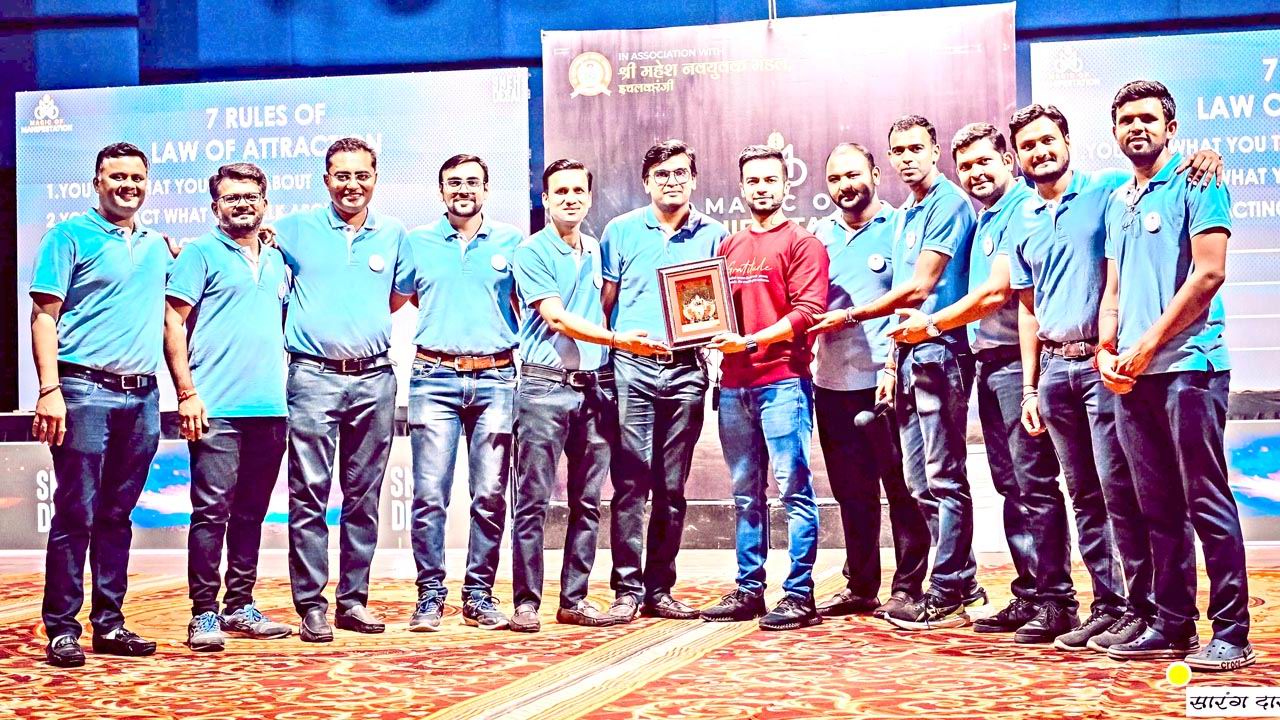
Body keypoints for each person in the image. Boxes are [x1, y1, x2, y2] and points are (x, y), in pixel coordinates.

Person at [890, 124, 1072, 642]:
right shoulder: (987, 215)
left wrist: (931, 324)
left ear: (1008, 162)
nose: (975, 173)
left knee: (1034, 486)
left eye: (984, 161)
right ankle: (1031, 593)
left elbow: (997, 293)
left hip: (1019, 363)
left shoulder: (1021, 208)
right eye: (966, 166)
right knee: (1013, 486)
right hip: (989, 363)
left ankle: (1056, 601)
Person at [1098, 80, 1252, 670]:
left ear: (1171, 127)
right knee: (1156, 507)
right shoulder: (1119, 200)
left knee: (1205, 501)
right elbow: (1113, 288)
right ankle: (1172, 624)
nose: (1136, 128)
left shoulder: (1199, 180)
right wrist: (1108, 351)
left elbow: (1209, 274)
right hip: (1133, 376)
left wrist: (1147, 345)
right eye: (1126, 120)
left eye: (1147, 118)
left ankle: (1232, 633)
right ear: (1115, 132)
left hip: (1191, 369)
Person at [820, 115, 984, 629]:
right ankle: (949, 585)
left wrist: (854, 319)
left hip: (937, 353)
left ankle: (942, 586)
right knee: (919, 483)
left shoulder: (942, 205)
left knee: (936, 480)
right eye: (900, 150)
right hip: (896, 363)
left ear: (935, 150)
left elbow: (918, 289)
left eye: (916, 148)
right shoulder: (908, 213)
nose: (907, 158)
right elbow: (902, 309)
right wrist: (894, 361)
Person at [509, 159, 665, 632]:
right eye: (561, 191)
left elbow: (605, 307)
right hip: (544, 388)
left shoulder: (597, 250)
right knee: (533, 500)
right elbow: (556, 317)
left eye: (579, 190)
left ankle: (573, 599)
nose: (571, 198)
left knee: (588, 501)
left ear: (590, 197)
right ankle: (526, 603)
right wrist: (618, 341)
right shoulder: (531, 250)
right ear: (545, 199)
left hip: (594, 390)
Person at [31, 142, 168, 667]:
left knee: (117, 515)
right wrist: (49, 390)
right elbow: (44, 317)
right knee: (77, 513)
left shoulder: (156, 245)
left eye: (137, 177)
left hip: (143, 395)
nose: (127, 185)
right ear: (97, 182)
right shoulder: (67, 236)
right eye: (117, 177)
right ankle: (62, 629)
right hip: (83, 391)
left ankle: (109, 624)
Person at [273, 137, 415, 642]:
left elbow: (397, 296)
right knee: (308, 495)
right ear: (326, 179)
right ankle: (311, 605)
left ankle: (353, 601)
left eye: (362, 175)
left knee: (363, 497)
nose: (352, 184)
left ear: (375, 178)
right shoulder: (292, 228)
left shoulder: (394, 234)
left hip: (375, 379)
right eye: (342, 175)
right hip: (312, 378)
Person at [164, 162, 293, 651]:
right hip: (215, 408)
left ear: (264, 203)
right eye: (232, 196)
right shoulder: (199, 253)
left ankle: (240, 605)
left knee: (251, 513)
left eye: (251, 196)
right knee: (211, 513)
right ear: (215, 205)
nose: (242, 204)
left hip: (271, 409)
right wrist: (186, 394)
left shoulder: (277, 258)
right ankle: (203, 613)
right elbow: (172, 323)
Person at [699, 145, 829, 631]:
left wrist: (751, 340)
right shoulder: (728, 246)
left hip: (783, 383)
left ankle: (799, 595)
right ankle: (749, 588)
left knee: (793, 489)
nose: (761, 188)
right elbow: (709, 310)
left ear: (785, 185)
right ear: (741, 188)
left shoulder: (803, 243)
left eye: (770, 180)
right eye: (753, 180)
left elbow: (808, 312)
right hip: (734, 385)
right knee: (745, 493)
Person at [600, 140, 727, 622]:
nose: (671, 181)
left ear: (693, 179)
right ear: (646, 182)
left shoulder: (715, 234)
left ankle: (660, 589)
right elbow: (606, 303)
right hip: (631, 367)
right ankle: (626, 590)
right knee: (631, 482)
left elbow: (720, 305)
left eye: (679, 173)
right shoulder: (620, 231)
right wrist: (606, 360)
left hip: (687, 368)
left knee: (672, 487)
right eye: (661, 174)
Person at [809, 142, 931, 619]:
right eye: (835, 178)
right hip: (831, 384)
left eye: (853, 174)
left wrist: (893, 367)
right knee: (852, 492)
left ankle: (909, 588)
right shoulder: (818, 236)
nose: (845, 185)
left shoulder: (900, 228)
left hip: (886, 382)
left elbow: (912, 301)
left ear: (876, 176)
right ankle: (860, 586)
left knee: (903, 491)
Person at [402, 154, 520, 632]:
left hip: (496, 379)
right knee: (430, 495)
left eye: (472, 182)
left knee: (489, 495)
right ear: (441, 191)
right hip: (434, 377)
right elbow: (409, 296)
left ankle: (479, 595)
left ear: (486, 190)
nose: (463, 190)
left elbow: (523, 302)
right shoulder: (416, 242)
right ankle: (430, 595)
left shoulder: (512, 241)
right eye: (454, 183)